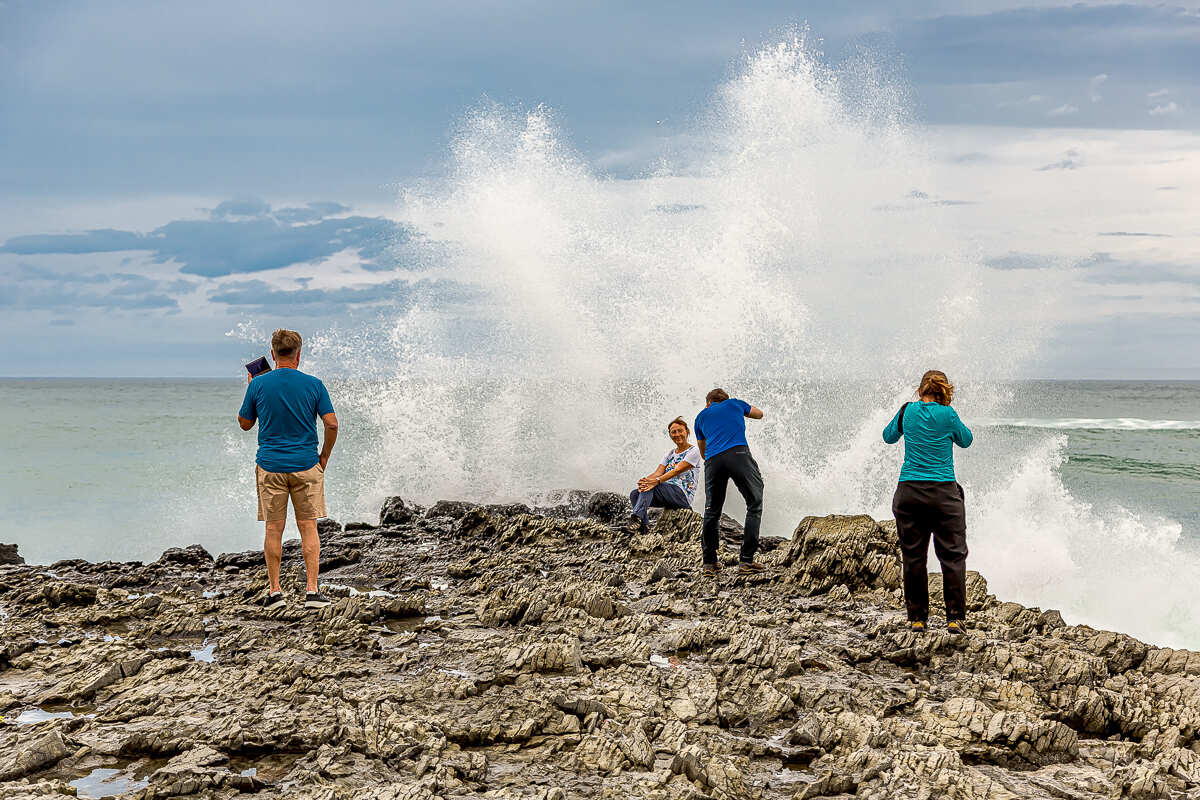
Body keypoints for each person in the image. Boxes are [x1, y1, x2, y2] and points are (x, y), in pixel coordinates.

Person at [237, 329, 339, 610]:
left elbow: (245, 424)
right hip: (306, 465)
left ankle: (274, 593)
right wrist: (324, 457)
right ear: (298, 354)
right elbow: (332, 424)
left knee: (273, 529)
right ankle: (312, 592)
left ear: (272, 354)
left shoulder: (258, 384)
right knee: (308, 527)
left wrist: (252, 386)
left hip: (270, 466)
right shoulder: (314, 384)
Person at [882, 369, 974, 635]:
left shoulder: (906, 411)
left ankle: (918, 619)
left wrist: (907, 420)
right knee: (953, 557)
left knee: (913, 558)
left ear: (920, 390)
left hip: (909, 493)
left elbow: (888, 436)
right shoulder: (948, 414)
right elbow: (966, 440)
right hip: (943, 495)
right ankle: (955, 619)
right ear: (944, 391)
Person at [694, 389, 765, 576]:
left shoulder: (701, 416)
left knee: (712, 511)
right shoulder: (734, 403)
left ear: (708, 402)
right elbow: (759, 414)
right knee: (754, 503)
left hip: (713, 461)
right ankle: (746, 561)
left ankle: (709, 563)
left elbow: (703, 451)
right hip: (738, 454)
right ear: (724, 399)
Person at [628, 417, 701, 534]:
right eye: (673, 432)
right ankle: (644, 528)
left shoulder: (694, 451)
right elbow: (658, 473)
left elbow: (677, 470)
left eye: (680, 431)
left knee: (652, 486)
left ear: (687, 432)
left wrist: (655, 482)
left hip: (681, 495)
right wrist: (645, 481)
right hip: (666, 493)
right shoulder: (669, 454)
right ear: (670, 435)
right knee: (635, 494)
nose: (677, 434)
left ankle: (636, 517)